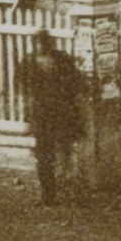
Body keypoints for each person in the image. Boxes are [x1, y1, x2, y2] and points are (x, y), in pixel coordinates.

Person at [15, 28, 89, 206]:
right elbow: (24, 92)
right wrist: (28, 117)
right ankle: (48, 195)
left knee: (66, 153)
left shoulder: (62, 59)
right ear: (34, 45)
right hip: (42, 115)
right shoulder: (28, 63)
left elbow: (76, 86)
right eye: (39, 43)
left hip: (63, 113)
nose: (42, 46)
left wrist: (79, 113)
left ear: (50, 44)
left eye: (45, 43)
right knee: (44, 156)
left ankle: (70, 193)